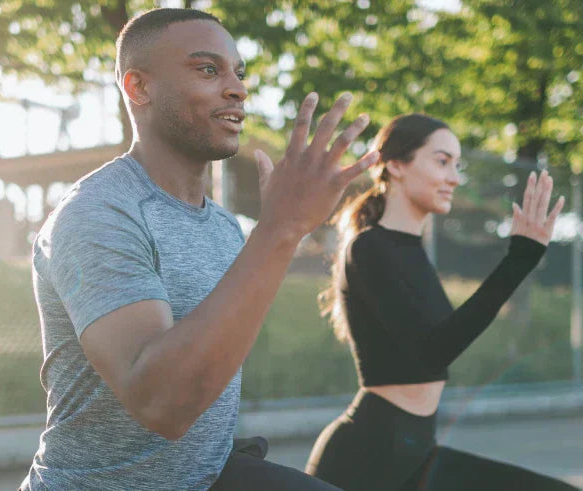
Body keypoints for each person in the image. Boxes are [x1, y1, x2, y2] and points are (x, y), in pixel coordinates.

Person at [21, 8, 376, 490]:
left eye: (239, 73)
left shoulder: (226, 228)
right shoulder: (96, 214)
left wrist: (278, 233)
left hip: (204, 478)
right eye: (208, 70)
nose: (238, 89)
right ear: (138, 87)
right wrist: (279, 229)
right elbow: (162, 406)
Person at [305, 114, 577, 490]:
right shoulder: (368, 248)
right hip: (364, 460)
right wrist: (518, 261)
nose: (454, 177)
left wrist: (522, 258)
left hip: (416, 454)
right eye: (442, 161)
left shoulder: (413, 253)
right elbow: (429, 353)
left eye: (457, 164)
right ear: (396, 165)